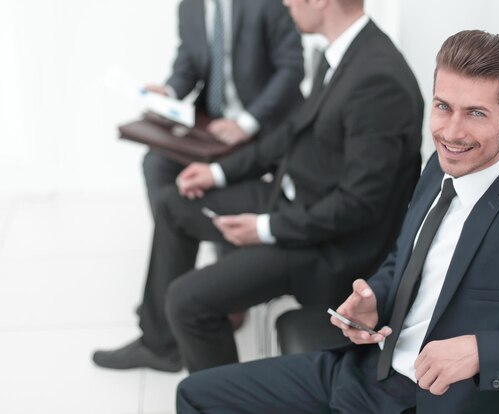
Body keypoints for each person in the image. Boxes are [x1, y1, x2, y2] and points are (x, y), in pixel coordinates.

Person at [174, 29, 499, 413]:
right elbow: (404, 261)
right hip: (360, 372)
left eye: (476, 114)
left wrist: (482, 352)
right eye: (443, 106)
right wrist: (376, 297)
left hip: (421, 402)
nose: (451, 133)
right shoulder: (439, 168)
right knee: (196, 395)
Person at [92, 0, 424, 374]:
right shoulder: (343, 53)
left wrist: (263, 229)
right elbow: (290, 134)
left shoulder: (378, 80)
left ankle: (222, 398)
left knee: (186, 301)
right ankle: (159, 344)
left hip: (323, 244)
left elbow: (359, 206)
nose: (285, 2)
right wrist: (218, 172)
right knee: (174, 203)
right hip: (294, 204)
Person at [142, 0, 304, 217]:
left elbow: (291, 68)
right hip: (213, 124)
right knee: (156, 164)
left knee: (233, 176)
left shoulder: (266, 3)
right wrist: (169, 92)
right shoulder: (190, 6)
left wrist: (246, 123)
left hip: (266, 122)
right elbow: (189, 59)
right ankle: (177, 235)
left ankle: (229, 240)